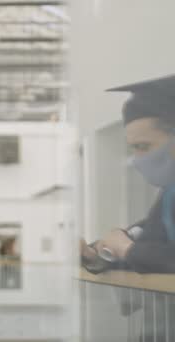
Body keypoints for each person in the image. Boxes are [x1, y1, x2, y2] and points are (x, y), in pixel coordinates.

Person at [82, 74, 175, 274]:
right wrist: (95, 254)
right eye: (133, 148)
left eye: (143, 146)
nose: (137, 159)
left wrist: (126, 248)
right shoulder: (169, 195)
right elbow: (148, 250)